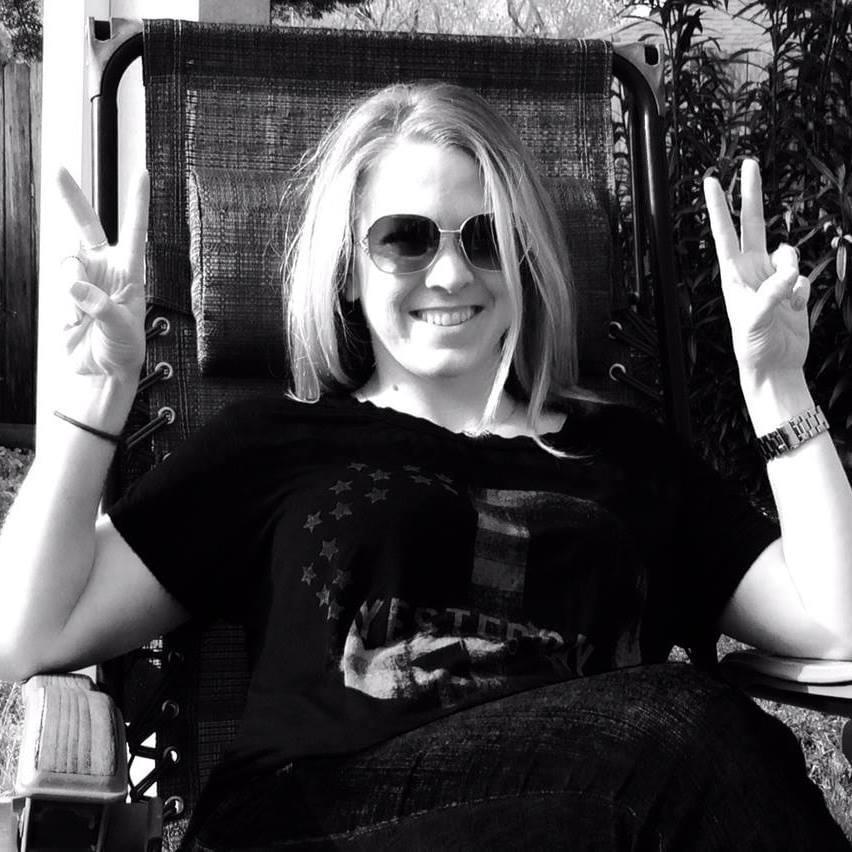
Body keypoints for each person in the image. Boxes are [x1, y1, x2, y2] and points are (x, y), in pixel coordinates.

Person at [1, 81, 851, 851]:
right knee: (687, 728)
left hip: (597, 817)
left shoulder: (627, 456)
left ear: (526, 259)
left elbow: (838, 626)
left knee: (685, 736)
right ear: (348, 270)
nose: (449, 272)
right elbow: (27, 632)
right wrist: (96, 395)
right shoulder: (275, 442)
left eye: (486, 239)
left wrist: (777, 387)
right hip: (313, 822)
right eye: (404, 239)